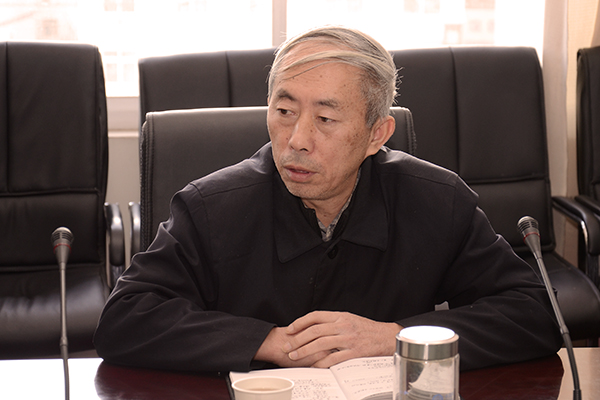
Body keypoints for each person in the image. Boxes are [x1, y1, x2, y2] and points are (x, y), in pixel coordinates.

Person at [94, 26, 561, 373]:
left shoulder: (435, 200)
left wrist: (395, 337)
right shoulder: (211, 207)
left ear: (377, 134)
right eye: (284, 111)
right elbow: (125, 318)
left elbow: (536, 311)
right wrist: (267, 341)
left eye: (326, 119)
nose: (296, 140)